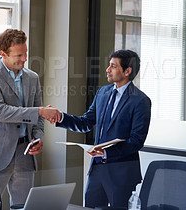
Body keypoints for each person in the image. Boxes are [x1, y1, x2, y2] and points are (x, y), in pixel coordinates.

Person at [49, 49, 151, 208]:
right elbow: (85, 122)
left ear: (127, 71)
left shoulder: (141, 101)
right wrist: (60, 117)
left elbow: (136, 141)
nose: (107, 70)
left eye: (113, 66)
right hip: (97, 171)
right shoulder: (103, 93)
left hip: (121, 174)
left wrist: (107, 152)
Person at [0, 29, 61, 206]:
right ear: (3, 54)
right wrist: (39, 111)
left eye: (26, 53)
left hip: (25, 153)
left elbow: (38, 119)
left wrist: (38, 138)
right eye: (19, 55)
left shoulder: (32, 77)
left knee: (23, 207)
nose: (24, 59)